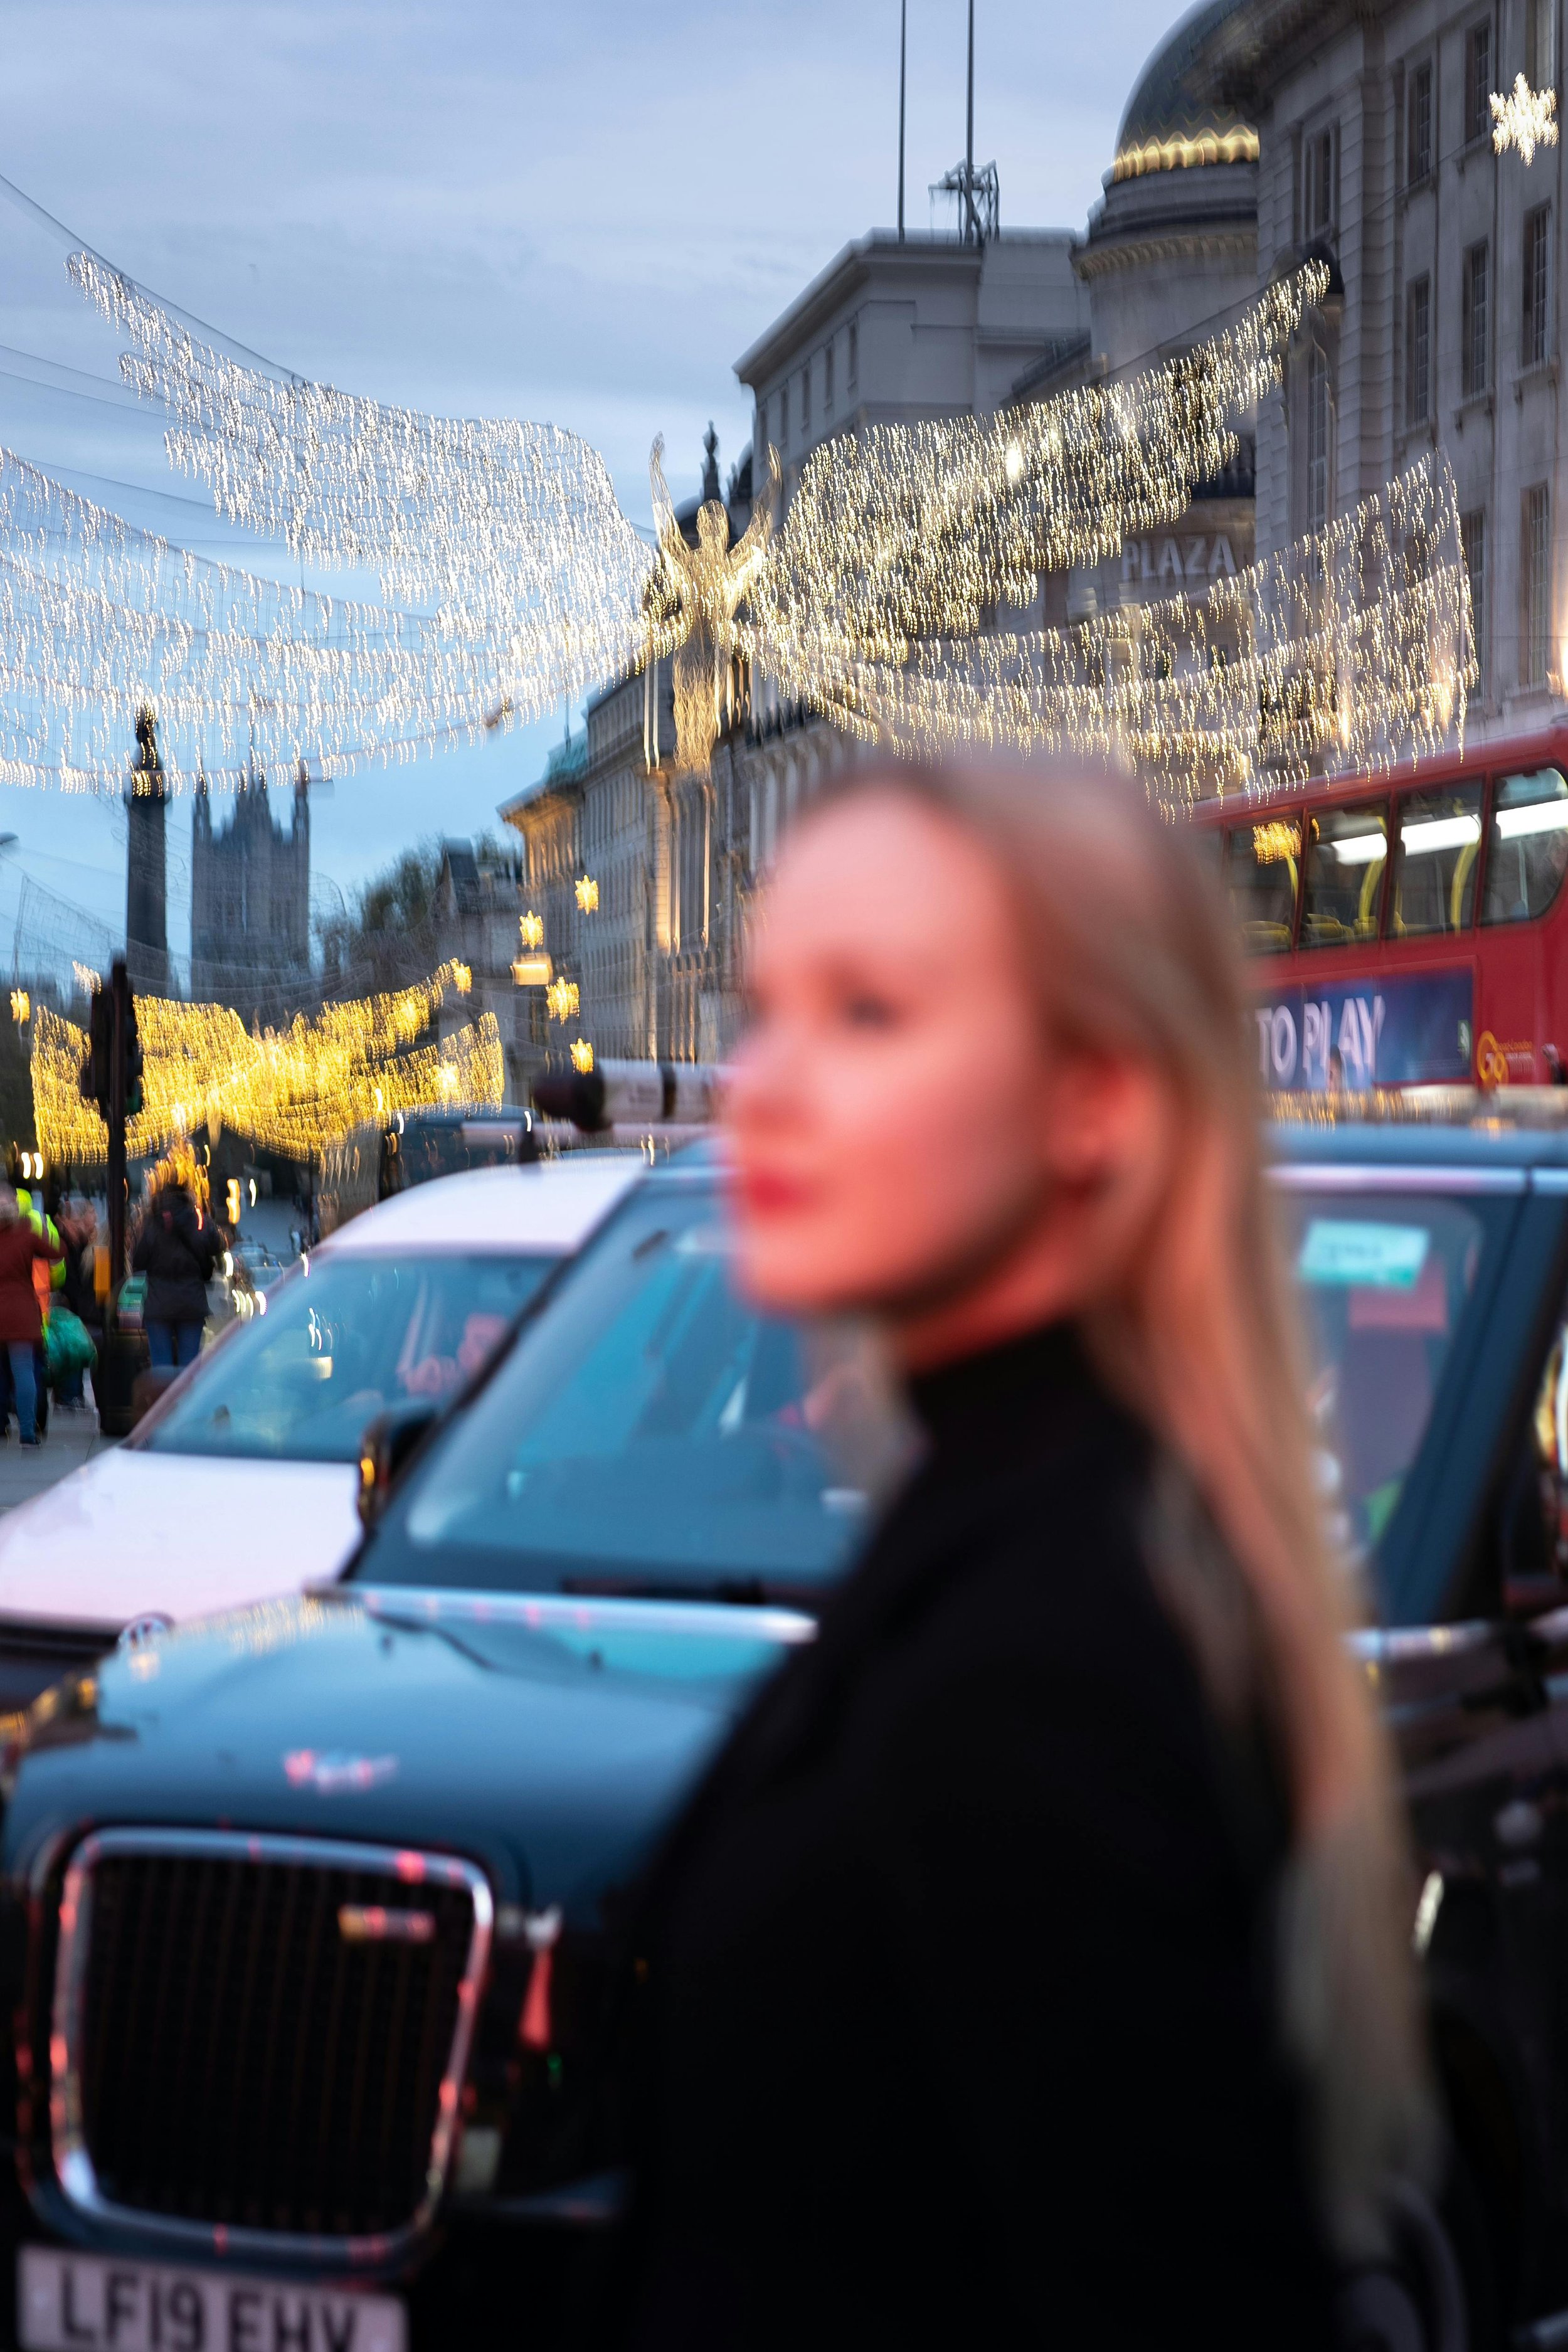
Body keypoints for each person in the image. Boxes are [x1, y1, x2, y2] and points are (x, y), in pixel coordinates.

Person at [615, 761, 1430, 2351]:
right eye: (765, 1004)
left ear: (1093, 1098)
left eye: (869, 1012)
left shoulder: (1042, 1656)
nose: (758, 1081)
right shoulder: (1013, 1526)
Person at [132, 1173, 223, 1369]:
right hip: (192, 1302)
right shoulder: (199, 1220)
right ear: (186, 1196)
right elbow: (217, 1246)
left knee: (161, 1366)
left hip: (158, 1304)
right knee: (189, 1366)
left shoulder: (152, 1222)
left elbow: (139, 1261)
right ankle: (185, 1399)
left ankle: (165, 1398)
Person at [0, 1185, 62, 1447]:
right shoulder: (25, 1232)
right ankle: (27, 1431)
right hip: (21, 1312)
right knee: (23, 1371)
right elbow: (57, 1253)